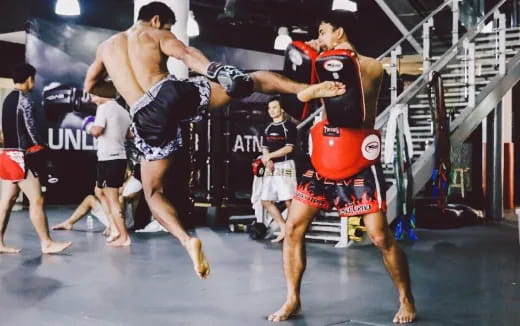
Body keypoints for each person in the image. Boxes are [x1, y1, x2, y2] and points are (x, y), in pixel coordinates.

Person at [83, 2, 346, 280]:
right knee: (253, 81)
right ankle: (305, 90)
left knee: (153, 192)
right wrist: (215, 70)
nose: (170, 31)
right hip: (169, 92)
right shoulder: (153, 33)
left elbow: (90, 87)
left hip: (144, 114)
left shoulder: (106, 47)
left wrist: (125, 89)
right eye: (171, 28)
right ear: (157, 20)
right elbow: (184, 53)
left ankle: (186, 241)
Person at [268, 11, 416, 324]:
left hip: (357, 158)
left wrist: (326, 64)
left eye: (322, 32)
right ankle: (292, 298)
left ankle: (406, 298)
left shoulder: (370, 65)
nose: (318, 39)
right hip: (324, 158)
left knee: (378, 236)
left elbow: (352, 84)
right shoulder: (322, 66)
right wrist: (314, 73)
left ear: (339, 32)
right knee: (293, 228)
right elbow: (302, 98)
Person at [0, 63, 72, 254]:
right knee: (37, 200)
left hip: (7, 155)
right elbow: (31, 130)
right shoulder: (25, 100)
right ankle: (47, 243)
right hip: (21, 157)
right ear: (30, 79)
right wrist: (42, 147)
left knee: (7, 201)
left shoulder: (7, 99)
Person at [84, 95, 132, 247]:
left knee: (112, 199)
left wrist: (87, 126)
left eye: (93, 93)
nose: (91, 96)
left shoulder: (103, 108)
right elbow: (130, 135)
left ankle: (124, 237)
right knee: (98, 192)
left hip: (110, 159)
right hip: (115, 158)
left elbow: (97, 131)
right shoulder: (123, 111)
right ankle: (114, 229)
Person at [51, 169, 142, 233]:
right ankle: (68, 223)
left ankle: (115, 227)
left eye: (122, 169)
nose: (117, 172)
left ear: (129, 171)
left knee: (120, 199)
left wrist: (115, 192)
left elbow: (124, 199)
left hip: (126, 223)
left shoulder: (135, 183)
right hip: (112, 217)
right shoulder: (116, 181)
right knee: (90, 199)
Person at [260, 97, 298, 242]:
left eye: (275, 107)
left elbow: (289, 148)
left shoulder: (289, 126)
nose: (272, 111)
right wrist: (267, 159)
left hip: (286, 167)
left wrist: (270, 156)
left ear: (282, 109)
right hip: (271, 168)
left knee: (288, 199)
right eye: (270, 108)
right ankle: (283, 227)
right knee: (265, 200)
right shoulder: (268, 128)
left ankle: (292, 231)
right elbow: (265, 148)